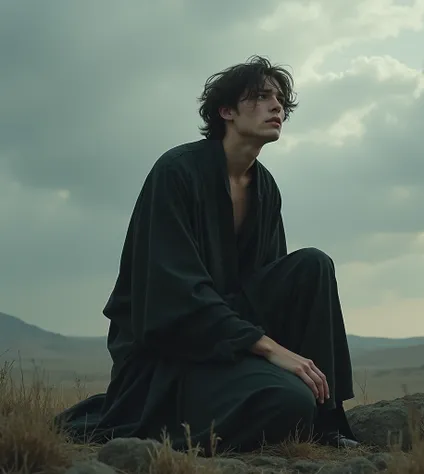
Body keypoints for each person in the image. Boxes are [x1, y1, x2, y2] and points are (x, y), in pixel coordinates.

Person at [54, 55, 360, 454]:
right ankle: (160, 431)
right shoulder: (177, 172)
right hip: (169, 355)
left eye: (281, 99)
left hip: (230, 341)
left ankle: (326, 419)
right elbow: (173, 297)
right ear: (226, 111)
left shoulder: (265, 188)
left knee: (313, 264)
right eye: (263, 96)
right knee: (288, 401)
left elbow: (272, 288)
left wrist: (282, 354)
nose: (277, 106)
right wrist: (272, 350)